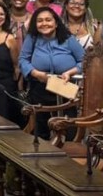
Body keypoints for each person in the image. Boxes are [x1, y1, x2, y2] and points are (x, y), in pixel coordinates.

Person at [19, 8, 84, 137]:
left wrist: (70, 73)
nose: (44, 24)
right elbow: (23, 60)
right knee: (40, 128)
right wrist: (35, 73)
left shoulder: (68, 38)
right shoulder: (32, 38)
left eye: (48, 20)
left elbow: (85, 61)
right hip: (39, 87)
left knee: (68, 127)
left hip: (65, 87)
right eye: (40, 21)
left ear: (56, 23)